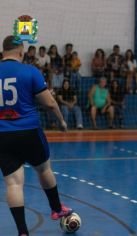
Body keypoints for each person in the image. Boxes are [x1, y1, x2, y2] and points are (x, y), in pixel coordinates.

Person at [0, 35, 72, 236]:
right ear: (21, 51)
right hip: (29, 131)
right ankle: (57, 209)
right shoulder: (30, 71)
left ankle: (23, 232)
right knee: (43, 169)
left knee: (13, 183)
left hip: (3, 134)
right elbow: (49, 103)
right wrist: (62, 121)